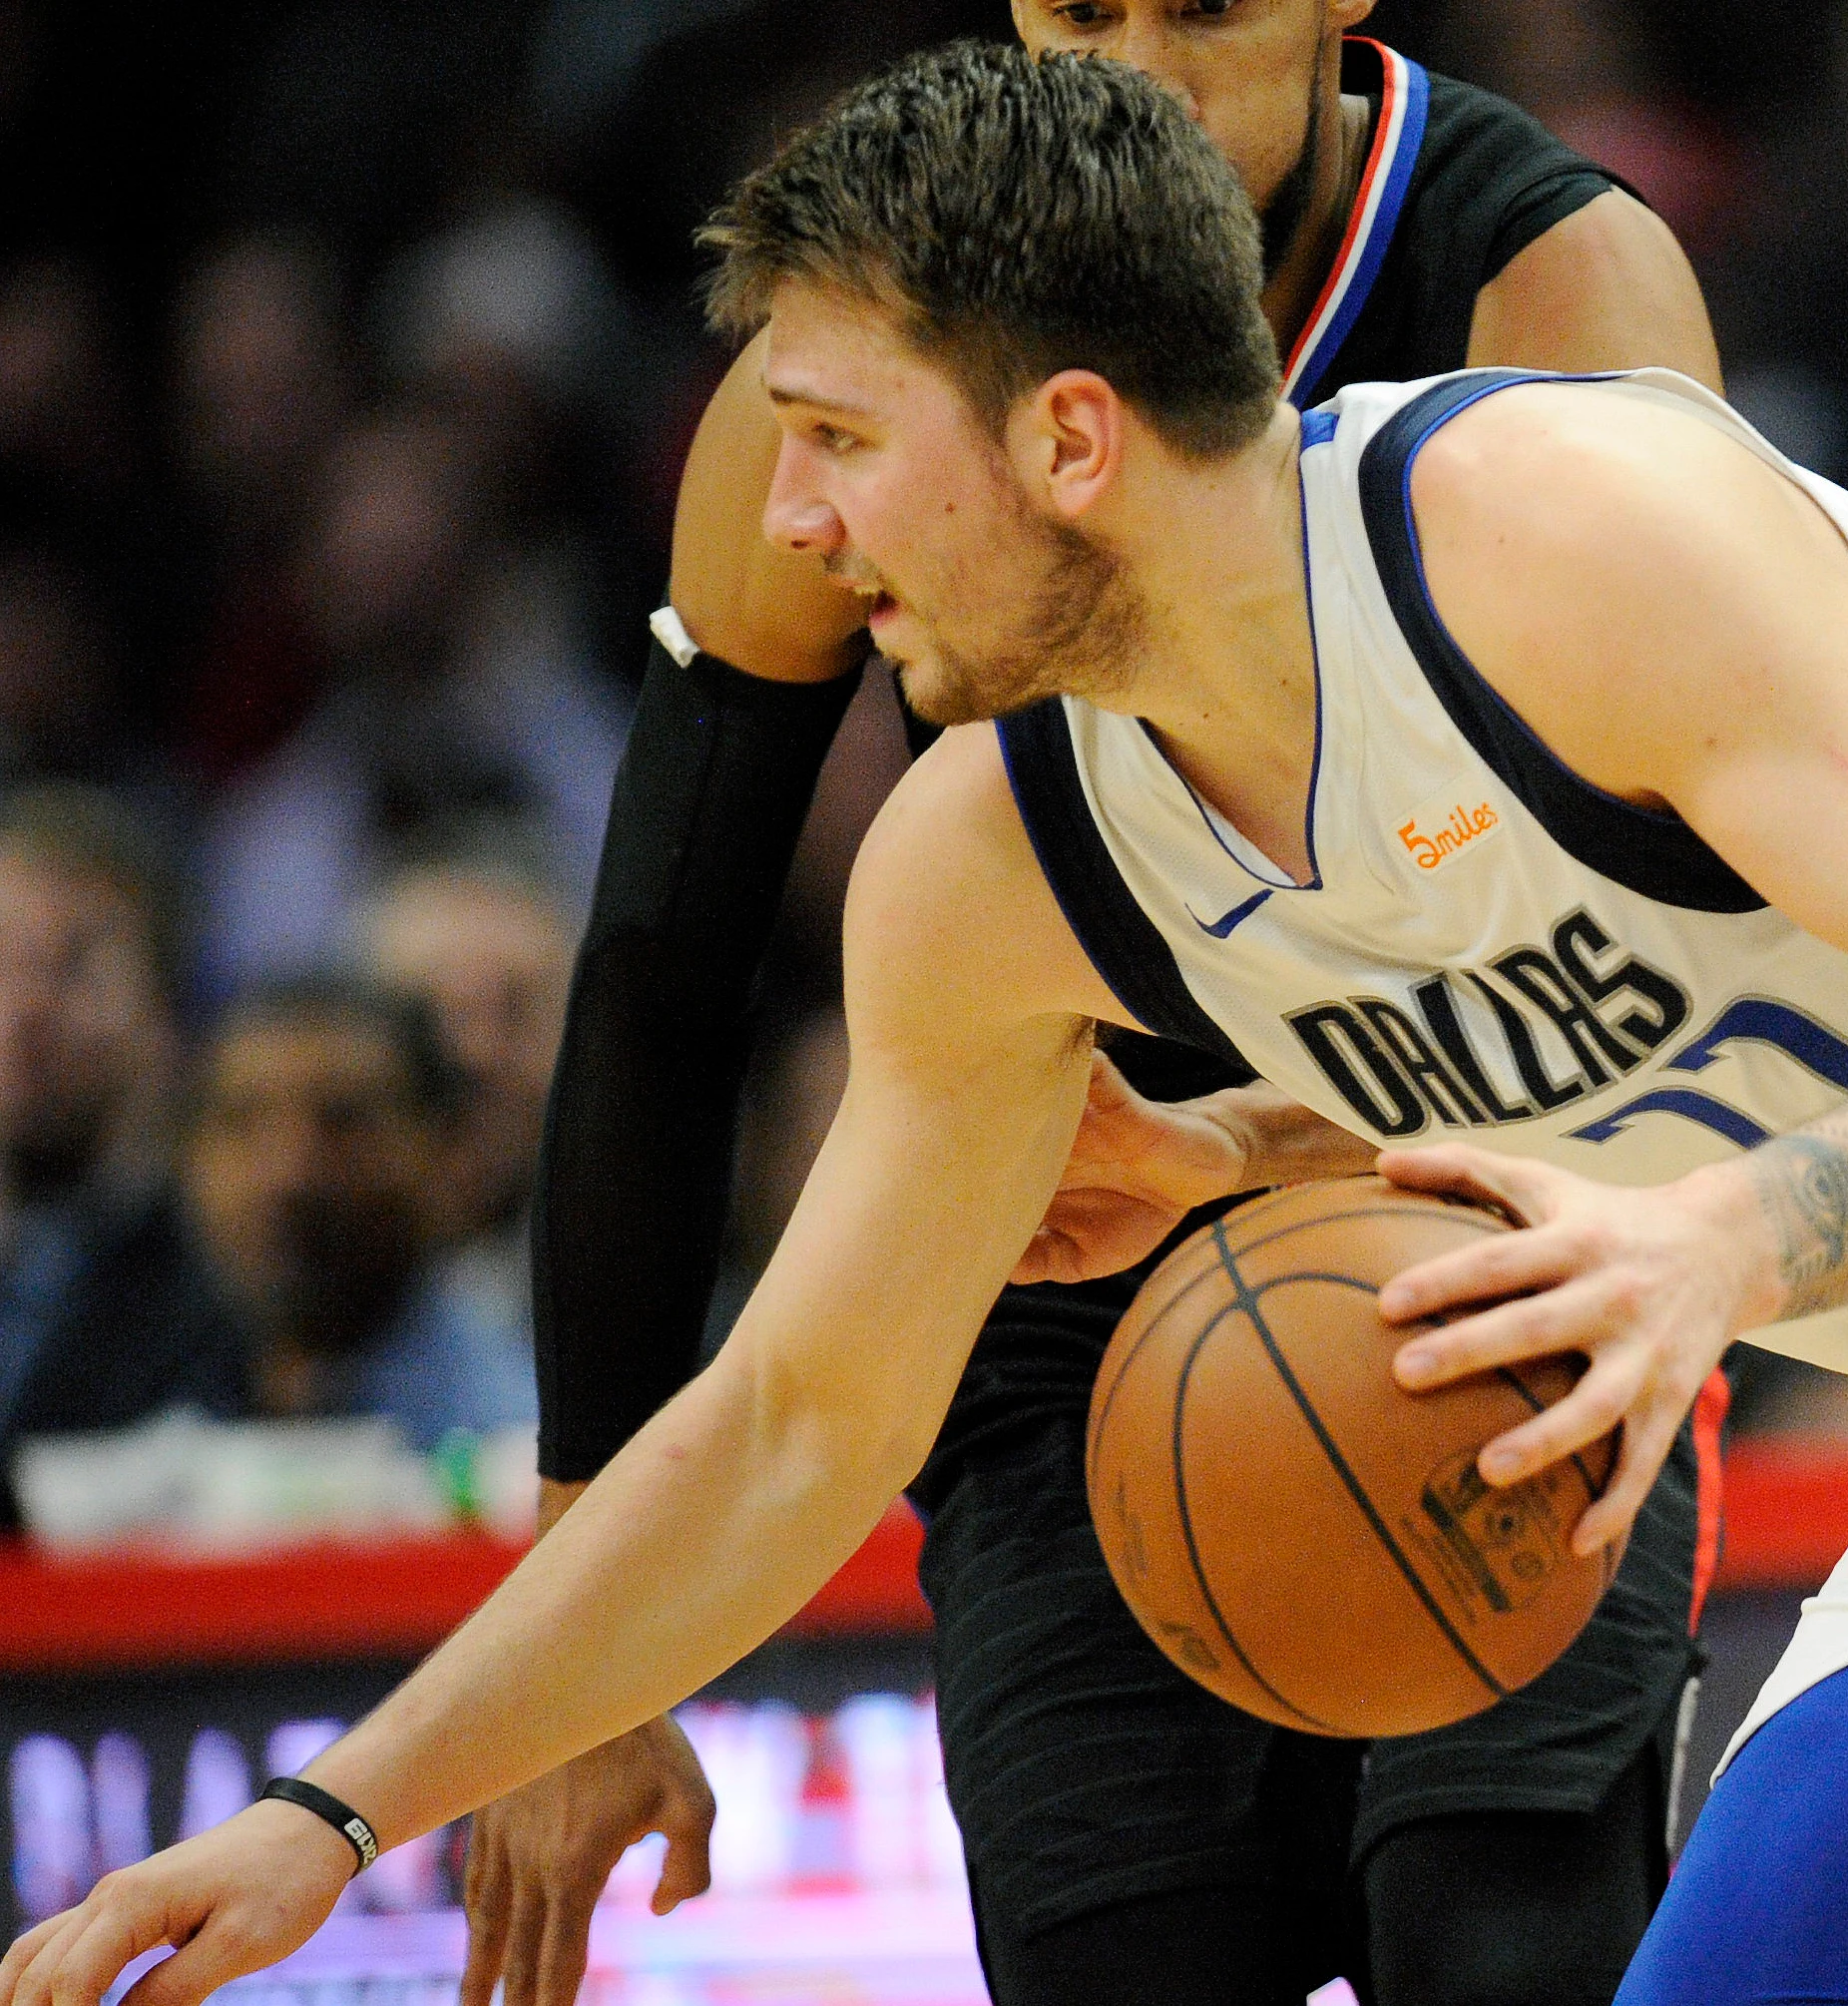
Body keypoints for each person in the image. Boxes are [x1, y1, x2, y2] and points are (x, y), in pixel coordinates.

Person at [0, 49, 1848, 2006]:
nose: (785, 527)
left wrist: (1707, 1243)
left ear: (1060, 436)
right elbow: (792, 1428)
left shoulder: (1543, 524)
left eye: (828, 437)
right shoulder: (995, 870)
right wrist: (345, 1803)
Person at [503, 7, 1721, 2005]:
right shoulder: (846, 352)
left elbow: (1678, 893)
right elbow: (662, 960)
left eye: (1203, 9)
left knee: (1505, 1960)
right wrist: (579, 1631)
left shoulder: (1546, 279)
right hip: (1060, 1279)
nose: (1138, 68)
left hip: (1487, 1215)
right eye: (1081, 11)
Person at [0, 788, 247, 1529]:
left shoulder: (231, 1275)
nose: (27, 1008)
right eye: (3, 959)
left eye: (75, 964)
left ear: (166, 1015)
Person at [181, 980, 533, 1447]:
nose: (288, 1176)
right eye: (241, 1122)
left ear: (445, 1152)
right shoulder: (133, 1415)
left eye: (343, 1122)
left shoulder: (517, 1447)